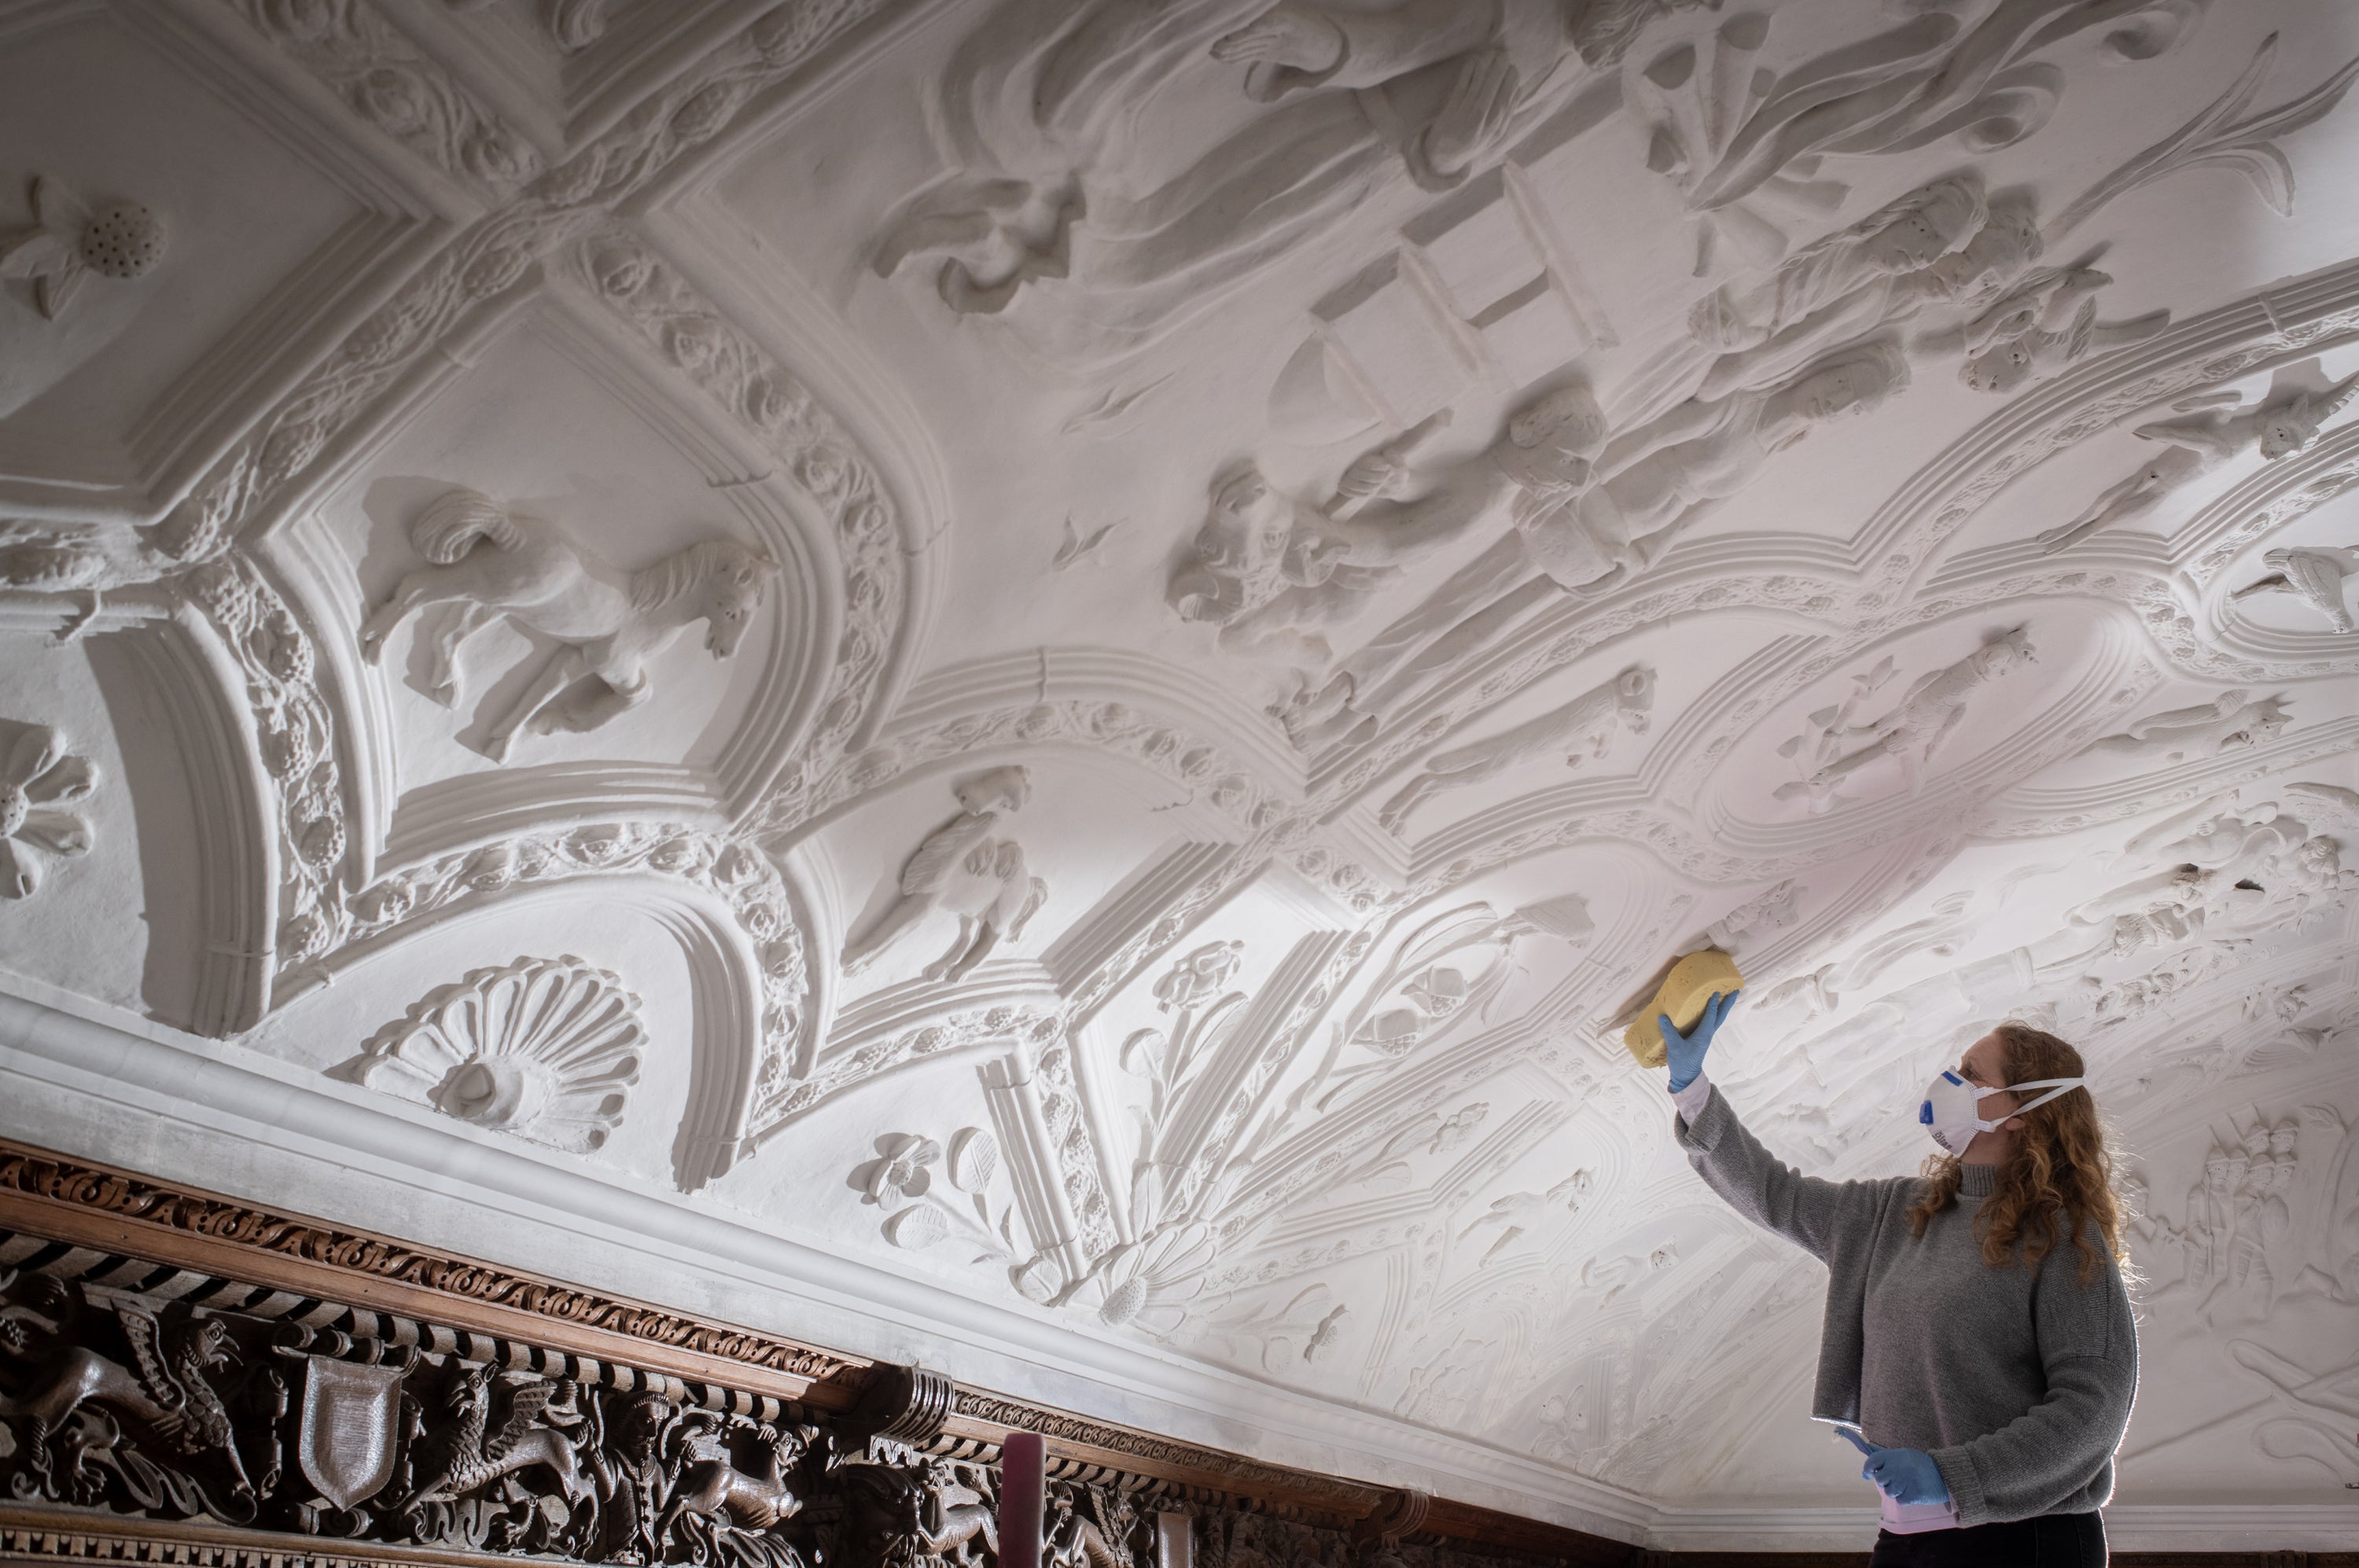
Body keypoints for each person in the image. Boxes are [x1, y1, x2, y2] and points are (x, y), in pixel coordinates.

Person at [1658, 996, 2136, 1566]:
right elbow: (1775, 1196)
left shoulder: (2063, 1235)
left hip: (2027, 1538)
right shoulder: (1893, 1212)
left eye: (1971, 1075)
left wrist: (1953, 1474)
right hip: (1907, 1537)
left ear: (2021, 1113)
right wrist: (1692, 1090)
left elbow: (2093, 1409)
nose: (1950, 1082)